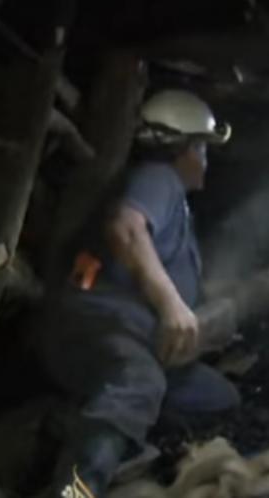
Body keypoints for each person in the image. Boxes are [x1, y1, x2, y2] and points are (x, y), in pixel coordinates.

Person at [36, 90, 240, 497]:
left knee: (217, 397)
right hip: (98, 324)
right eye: (203, 147)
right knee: (139, 381)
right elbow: (126, 228)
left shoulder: (175, 205)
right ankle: (76, 491)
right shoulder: (158, 178)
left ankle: (99, 436)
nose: (205, 159)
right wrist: (172, 306)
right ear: (185, 148)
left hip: (136, 336)